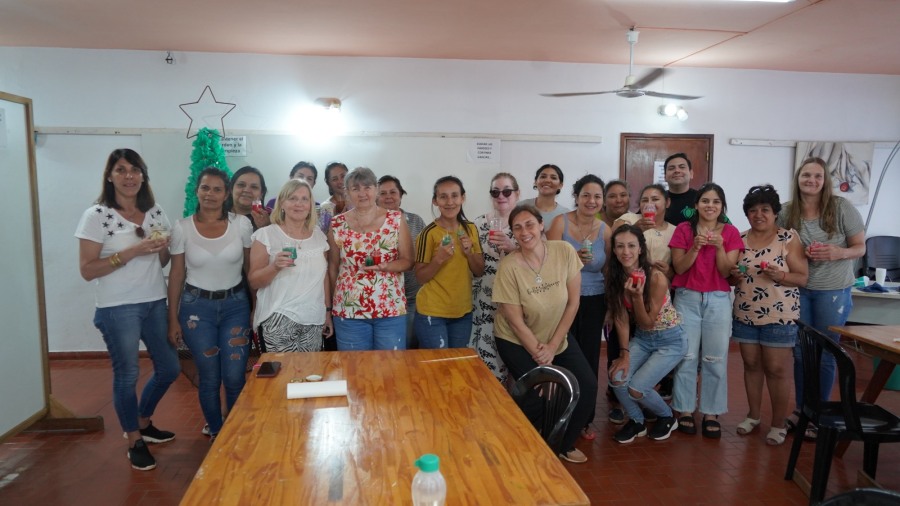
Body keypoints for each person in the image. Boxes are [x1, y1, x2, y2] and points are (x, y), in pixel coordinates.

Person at [75, 148, 178, 471]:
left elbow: (160, 259)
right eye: (121, 170)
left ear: (143, 175)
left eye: (135, 170)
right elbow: (88, 269)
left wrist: (162, 249)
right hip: (118, 307)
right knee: (128, 373)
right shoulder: (97, 215)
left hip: (153, 301)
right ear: (110, 176)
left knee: (170, 367)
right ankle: (133, 439)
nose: (129, 176)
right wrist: (133, 251)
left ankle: (143, 422)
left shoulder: (155, 211)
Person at [492, 205, 597, 464]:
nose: (524, 231)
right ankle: (525, 441)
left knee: (587, 386)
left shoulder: (564, 252)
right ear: (513, 233)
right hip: (516, 340)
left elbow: (573, 303)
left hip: (555, 335)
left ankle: (563, 443)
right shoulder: (509, 266)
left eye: (529, 224)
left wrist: (552, 345)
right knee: (536, 396)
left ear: (541, 225)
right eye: (517, 227)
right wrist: (541, 356)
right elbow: (515, 322)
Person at [777, 157, 866, 438]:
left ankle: (821, 413)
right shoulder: (786, 211)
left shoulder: (840, 207)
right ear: (798, 178)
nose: (812, 181)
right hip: (798, 289)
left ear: (825, 180)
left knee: (827, 353)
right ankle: (804, 409)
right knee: (802, 352)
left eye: (817, 176)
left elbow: (860, 247)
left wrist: (838, 252)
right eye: (806, 175)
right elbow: (777, 245)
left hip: (833, 291)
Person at [167, 168, 252, 441]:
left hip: (236, 306)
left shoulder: (241, 224)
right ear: (197, 191)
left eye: (217, 189)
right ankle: (217, 432)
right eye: (205, 188)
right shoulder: (182, 228)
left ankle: (236, 430)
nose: (211, 194)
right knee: (209, 377)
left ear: (226, 194)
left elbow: (250, 270)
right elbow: (177, 274)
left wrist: (256, 308)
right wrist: (172, 318)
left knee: (235, 375)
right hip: (196, 310)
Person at [729, 185, 808, 446]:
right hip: (745, 312)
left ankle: (778, 423)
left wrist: (780, 275)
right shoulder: (738, 239)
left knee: (775, 369)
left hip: (780, 314)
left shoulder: (788, 238)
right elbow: (730, 277)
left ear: (775, 213)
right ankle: (753, 416)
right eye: (753, 210)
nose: (759, 214)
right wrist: (734, 276)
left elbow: (802, 278)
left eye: (765, 209)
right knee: (751, 366)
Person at [669, 182, 743, 438]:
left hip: (719, 299)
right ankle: (685, 409)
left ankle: (712, 412)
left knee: (716, 358)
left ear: (722, 207)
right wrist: (696, 247)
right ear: (696, 205)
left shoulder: (731, 233)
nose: (710, 206)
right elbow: (679, 268)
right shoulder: (683, 230)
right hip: (687, 297)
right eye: (705, 201)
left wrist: (720, 246)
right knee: (687, 356)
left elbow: (725, 272)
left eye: (715, 202)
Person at [607, 225, 687, 443]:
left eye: (631, 246)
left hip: (670, 340)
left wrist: (636, 298)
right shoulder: (616, 275)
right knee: (617, 378)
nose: (626, 252)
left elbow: (648, 322)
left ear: (641, 249)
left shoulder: (656, 277)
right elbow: (621, 318)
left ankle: (667, 417)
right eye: (620, 246)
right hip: (643, 339)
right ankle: (637, 421)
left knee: (637, 388)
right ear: (614, 250)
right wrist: (624, 354)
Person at [546, 174, 610, 440]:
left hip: (595, 300)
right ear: (576, 196)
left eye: (596, 196)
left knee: (589, 359)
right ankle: (557, 415)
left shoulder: (605, 229)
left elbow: (609, 269)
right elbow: (547, 262)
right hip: (563, 300)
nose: (591, 201)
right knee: (563, 357)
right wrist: (572, 258)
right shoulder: (560, 223)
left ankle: (583, 419)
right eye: (586, 195)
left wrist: (610, 305)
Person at [328, 167, 413, 350]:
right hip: (349, 310)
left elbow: (408, 261)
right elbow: (333, 267)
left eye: (367, 187)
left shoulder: (395, 220)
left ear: (375, 189)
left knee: (390, 369)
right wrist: (335, 302)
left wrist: (386, 266)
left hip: (389, 308)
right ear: (348, 192)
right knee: (354, 370)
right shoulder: (337, 224)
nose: (362, 193)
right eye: (355, 188)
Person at [249, 179, 333, 352]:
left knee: (310, 376)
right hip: (278, 319)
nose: (299, 204)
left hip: (313, 320)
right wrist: (274, 267)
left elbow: (323, 277)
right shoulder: (266, 235)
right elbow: (254, 281)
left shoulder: (319, 236)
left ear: (311, 205)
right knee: (279, 377)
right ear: (281, 204)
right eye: (292, 198)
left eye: (304, 199)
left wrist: (327, 312)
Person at [414, 176, 485, 348]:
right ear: (435, 201)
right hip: (432, 312)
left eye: (454, 196)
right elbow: (420, 277)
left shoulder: (471, 228)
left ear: (463, 198)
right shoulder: (428, 233)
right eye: (443, 196)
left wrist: (469, 253)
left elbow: (479, 270)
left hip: (463, 312)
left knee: (457, 367)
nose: (450, 202)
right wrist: (438, 259)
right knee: (438, 369)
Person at [471, 172, 519, 382]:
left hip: (516, 303)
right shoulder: (478, 223)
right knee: (487, 363)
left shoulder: (526, 225)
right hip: (484, 301)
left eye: (507, 191)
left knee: (515, 361)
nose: (501, 196)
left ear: (517, 194)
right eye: (495, 192)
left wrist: (512, 248)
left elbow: (539, 261)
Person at [377, 175, 426, 347]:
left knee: (409, 347)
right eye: (383, 193)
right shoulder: (372, 224)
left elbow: (424, 255)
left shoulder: (415, 221)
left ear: (401, 195)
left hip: (412, 296)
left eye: (393, 192)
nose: (388, 196)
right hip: (383, 297)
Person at [227, 166, 270, 231]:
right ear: (231, 189)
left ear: (262, 193)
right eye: (241, 185)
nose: (247, 190)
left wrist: (267, 228)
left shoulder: (272, 219)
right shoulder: (217, 215)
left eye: (254, 187)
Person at [663, 153, 699, 226]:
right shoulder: (657, 199)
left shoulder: (702, 199)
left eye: (682, 167)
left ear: (691, 174)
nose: (677, 170)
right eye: (671, 168)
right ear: (665, 176)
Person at [320, 161, 350, 232]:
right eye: (335, 179)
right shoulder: (326, 207)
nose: (340, 181)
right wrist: (336, 220)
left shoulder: (358, 201)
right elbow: (324, 235)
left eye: (343, 176)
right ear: (328, 183)